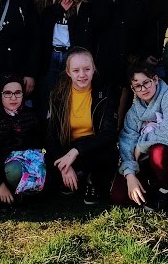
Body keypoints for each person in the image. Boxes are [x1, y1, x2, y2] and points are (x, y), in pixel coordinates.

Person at [111, 60, 168, 212]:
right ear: (133, 88)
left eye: (146, 82)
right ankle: (150, 184)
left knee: (159, 152)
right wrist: (129, 174)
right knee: (118, 195)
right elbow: (127, 139)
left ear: (155, 79)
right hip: (144, 161)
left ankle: (166, 190)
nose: (143, 89)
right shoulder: (134, 110)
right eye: (137, 86)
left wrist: (141, 145)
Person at [45, 48, 118, 205]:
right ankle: (72, 175)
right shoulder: (58, 95)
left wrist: (76, 150)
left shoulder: (104, 92)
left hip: (91, 148)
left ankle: (93, 181)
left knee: (109, 155)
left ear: (93, 69)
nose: (82, 75)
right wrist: (64, 165)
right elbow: (50, 136)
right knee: (48, 170)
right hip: (66, 150)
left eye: (87, 69)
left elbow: (109, 133)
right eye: (76, 70)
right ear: (68, 72)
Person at [32, 0, 94, 115]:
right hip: (49, 57)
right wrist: (57, 11)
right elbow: (37, 30)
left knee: (68, 103)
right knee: (46, 102)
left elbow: (85, 32)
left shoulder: (78, 0)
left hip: (70, 57)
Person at [88, 0, 146, 112]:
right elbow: (98, 22)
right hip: (101, 59)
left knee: (120, 104)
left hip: (124, 60)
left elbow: (135, 23)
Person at [0, 74, 46, 205]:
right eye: (7, 93)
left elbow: (43, 145)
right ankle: (2, 194)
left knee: (14, 169)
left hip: (21, 171)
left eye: (18, 93)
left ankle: (23, 197)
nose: (13, 98)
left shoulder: (32, 116)